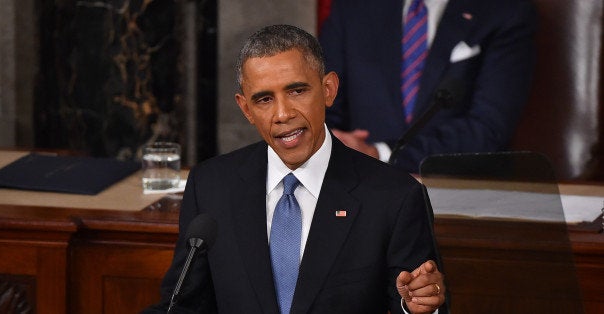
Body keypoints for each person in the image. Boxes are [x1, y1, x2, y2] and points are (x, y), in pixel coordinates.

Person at [144, 24, 445, 314]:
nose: (283, 113)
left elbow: (421, 299)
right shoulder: (210, 186)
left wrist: (416, 307)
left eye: (297, 91)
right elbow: (183, 305)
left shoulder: (396, 197)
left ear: (328, 90)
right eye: (264, 99)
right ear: (246, 109)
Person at [319, 0, 536, 173]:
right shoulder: (353, 7)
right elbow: (324, 106)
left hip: (458, 196)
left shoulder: (506, 10)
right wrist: (335, 145)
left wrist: (381, 153)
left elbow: (488, 128)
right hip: (362, 192)